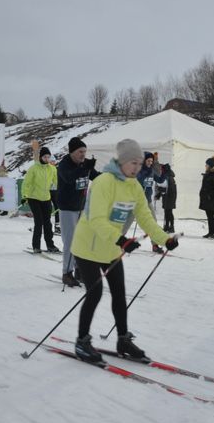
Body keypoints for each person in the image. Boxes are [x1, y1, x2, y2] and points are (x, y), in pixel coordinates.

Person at [71, 138, 179, 363]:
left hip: (110, 248)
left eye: (140, 164)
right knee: (95, 293)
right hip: (87, 247)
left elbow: (146, 217)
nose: (137, 168)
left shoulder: (134, 186)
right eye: (133, 163)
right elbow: (97, 219)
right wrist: (122, 240)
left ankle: (123, 339)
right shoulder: (103, 182)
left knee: (119, 293)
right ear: (120, 162)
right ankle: (82, 342)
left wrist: (164, 239)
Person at [56, 137, 100, 287]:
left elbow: (97, 176)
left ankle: (78, 270)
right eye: (80, 151)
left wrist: (112, 177)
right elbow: (69, 177)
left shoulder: (84, 164)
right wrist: (84, 168)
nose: (83, 154)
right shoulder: (64, 164)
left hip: (81, 207)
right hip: (67, 208)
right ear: (72, 152)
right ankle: (66, 273)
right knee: (70, 242)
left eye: (85, 151)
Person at [22, 146, 60, 253]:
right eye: (45, 157)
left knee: (47, 223)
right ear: (41, 157)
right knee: (39, 222)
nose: (47, 159)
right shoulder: (33, 168)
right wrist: (24, 196)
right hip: (34, 198)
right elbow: (26, 183)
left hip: (46, 198)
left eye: (48, 157)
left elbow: (57, 182)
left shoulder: (52, 169)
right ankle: (36, 246)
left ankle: (50, 245)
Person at [137, 151, 165, 253]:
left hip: (147, 201)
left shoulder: (152, 171)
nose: (150, 163)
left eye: (151, 161)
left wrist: (166, 173)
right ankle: (118, 243)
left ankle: (155, 245)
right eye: (148, 161)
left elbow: (160, 180)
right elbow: (138, 181)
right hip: (137, 202)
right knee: (125, 223)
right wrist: (145, 174)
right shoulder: (139, 170)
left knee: (153, 223)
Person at [199, 155, 214, 239]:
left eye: (206, 164)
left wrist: (210, 195)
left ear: (210, 165)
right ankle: (210, 232)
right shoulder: (208, 173)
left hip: (211, 199)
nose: (205, 166)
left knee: (211, 216)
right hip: (207, 198)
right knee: (209, 216)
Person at [156, 163, 177, 233]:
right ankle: (167, 226)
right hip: (167, 197)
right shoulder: (167, 176)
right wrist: (159, 193)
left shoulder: (169, 177)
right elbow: (164, 188)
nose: (161, 171)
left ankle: (171, 227)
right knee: (166, 212)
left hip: (170, 197)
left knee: (169, 212)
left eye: (162, 169)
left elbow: (168, 189)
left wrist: (159, 189)